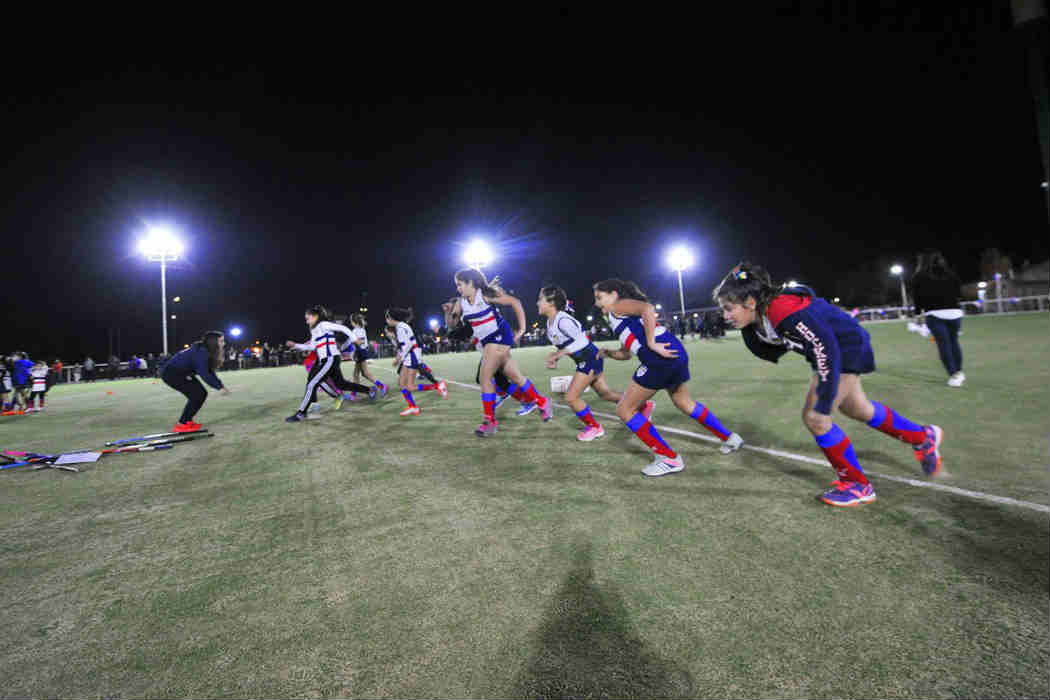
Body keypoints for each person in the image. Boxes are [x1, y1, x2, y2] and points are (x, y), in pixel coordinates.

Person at [714, 262, 944, 507]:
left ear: (750, 302)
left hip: (845, 347)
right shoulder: (759, 318)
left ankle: (858, 485)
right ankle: (923, 437)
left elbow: (826, 348)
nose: (726, 316)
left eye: (729, 309)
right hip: (834, 348)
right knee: (858, 409)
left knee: (816, 417)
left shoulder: (782, 309)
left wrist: (824, 401)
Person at [594, 279, 743, 476]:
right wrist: (609, 353)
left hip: (659, 358)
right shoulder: (618, 318)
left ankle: (669, 458)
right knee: (684, 402)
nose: (597, 303)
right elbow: (626, 354)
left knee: (624, 409)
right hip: (673, 353)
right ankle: (730, 438)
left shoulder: (618, 306)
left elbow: (647, 308)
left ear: (614, 294)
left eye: (599, 297)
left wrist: (652, 342)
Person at [450, 268, 551, 436]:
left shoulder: (485, 295)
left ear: (471, 283)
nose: (458, 288)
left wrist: (522, 329)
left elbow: (515, 302)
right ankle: (542, 402)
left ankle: (490, 421)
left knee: (485, 378)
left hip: (497, 337)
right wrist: (449, 313)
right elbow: (453, 325)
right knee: (516, 377)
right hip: (488, 343)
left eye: (460, 284)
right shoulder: (461, 302)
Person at [538, 285, 631, 441]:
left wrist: (560, 353)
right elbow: (568, 345)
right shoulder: (550, 323)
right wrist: (556, 357)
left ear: (551, 302)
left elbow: (582, 340)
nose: (537, 303)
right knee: (605, 394)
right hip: (587, 359)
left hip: (589, 359)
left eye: (540, 299)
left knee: (571, 398)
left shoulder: (563, 320)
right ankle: (642, 405)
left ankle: (595, 427)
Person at [284, 305, 374, 423]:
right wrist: (296, 345)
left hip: (330, 359)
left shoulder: (323, 325)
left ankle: (301, 413)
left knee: (312, 383)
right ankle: (369, 390)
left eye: (308, 318)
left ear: (316, 316)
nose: (306, 321)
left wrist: (354, 339)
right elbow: (312, 346)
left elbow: (343, 328)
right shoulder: (314, 330)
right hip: (329, 360)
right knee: (341, 384)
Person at [910, 250, 965, 387]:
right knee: (954, 342)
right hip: (955, 313)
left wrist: (918, 315)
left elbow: (917, 299)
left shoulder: (920, 276)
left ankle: (954, 375)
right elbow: (959, 293)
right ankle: (958, 371)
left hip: (935, 315)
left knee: (944, 344)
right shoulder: (951, 274)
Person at [160, 331, 231, 432]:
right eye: (221, 341)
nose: (224, 343)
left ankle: (187, 421)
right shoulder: (201, 352)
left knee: (200, 393)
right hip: (172, 374)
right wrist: (219, 387)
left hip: (182, 373)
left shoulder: (204, 350)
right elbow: (205, 374)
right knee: (197, 395)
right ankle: (182, 424)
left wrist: (220, 385)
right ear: (213, 342)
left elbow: (209, 371)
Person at [386, 307, 446, 416]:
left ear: (391, 318)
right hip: (409, 356)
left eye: (387, 318)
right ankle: (412, 407)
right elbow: (405, 345)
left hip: (412, 356)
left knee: (410, 386)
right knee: (401, 384)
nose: (386, 320)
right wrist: (400, 357)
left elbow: (408, 345)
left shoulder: (400, 327)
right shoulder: (401, 326)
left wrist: (399, 358)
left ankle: (437, 386)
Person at [342, 313, 388, 400]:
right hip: (361, 352)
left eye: (351, 321)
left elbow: (359, 342)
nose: (350, 323)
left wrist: (352, 351)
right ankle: (355, 394)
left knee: (363, 374)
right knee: (359, 374)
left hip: (360, 353)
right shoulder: (360, 329)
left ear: (353, 322)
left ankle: (382, 386)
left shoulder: (357, 330)